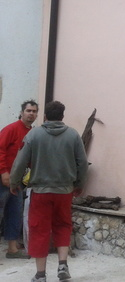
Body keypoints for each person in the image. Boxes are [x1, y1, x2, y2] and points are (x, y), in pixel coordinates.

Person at [10, 101, 88, 282]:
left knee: (39, 230)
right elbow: (83, 163)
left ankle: (40, 275)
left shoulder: (33, 135)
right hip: (65, 191)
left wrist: (14, 182)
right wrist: (79, 184)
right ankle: (62, 265)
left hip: (41, 192)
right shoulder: (73, 135)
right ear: (62, 116)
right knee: (63, 225)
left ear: (45, 116)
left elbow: (20, 162)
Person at [0, 100, 38, 259]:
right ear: (22, 112)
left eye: (34, 111)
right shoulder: (11, 129)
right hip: (3, 178)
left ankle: (12, 249)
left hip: (17, 181)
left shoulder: (32, 133)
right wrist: (4, 172)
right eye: (28, 110)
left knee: (14, 212)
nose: (31, 114)